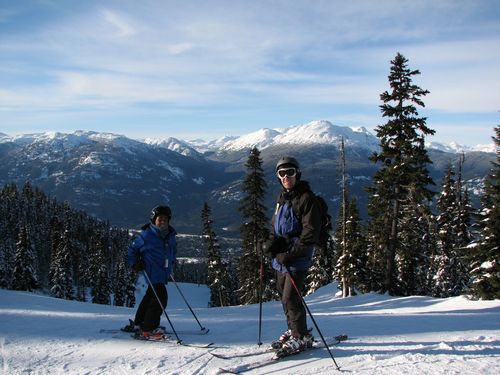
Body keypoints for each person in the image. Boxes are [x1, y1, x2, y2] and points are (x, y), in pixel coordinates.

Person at [264, 156, 322, 354]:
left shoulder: (306, 198)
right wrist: (271, 244)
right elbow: (275, 226)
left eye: (290, 172)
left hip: (297, 259)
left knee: (291, 298)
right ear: (278, 177)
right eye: (282, 173)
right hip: (282, 259)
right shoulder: (283, 198)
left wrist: (288, 254)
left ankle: (300, 336)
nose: (286, 176)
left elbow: (309, 235)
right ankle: (295, 329)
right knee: (284, 297)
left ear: (297, 174)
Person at [125, 205, 177, 340]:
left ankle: (140, 323)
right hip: (152, 272)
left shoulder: (170, 235)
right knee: (160, 298)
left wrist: (172, 262)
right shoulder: (146, 235)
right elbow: (132, 251)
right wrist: (135, 263)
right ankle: (149, 328)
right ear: (154, 220)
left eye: (165, 219)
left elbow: (172, 251)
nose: (163, 221)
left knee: (150, 296)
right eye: (160, 219)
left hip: (163, 271)